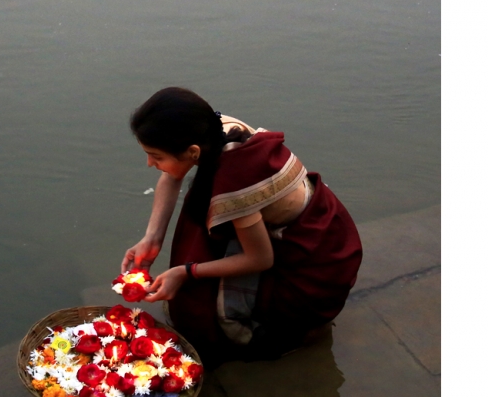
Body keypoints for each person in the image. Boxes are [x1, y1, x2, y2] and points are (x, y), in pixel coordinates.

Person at [120, 87, 362, 368]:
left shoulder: (235, 180)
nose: (150, 163)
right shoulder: (216, 127)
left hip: (316, 262)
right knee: (203, 220)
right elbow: (172, 175)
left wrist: (186, 271)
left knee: (205, 313)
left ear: (193, 152)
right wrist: (152, 237)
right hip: (315, 222)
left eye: (156, 156)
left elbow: (260, 259)